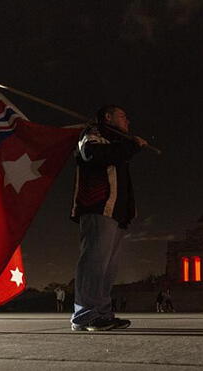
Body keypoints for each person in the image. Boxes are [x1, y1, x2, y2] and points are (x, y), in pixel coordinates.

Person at [69, 105, 148, 331]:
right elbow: (94, 155)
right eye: (123, 116)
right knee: (94, 261)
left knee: (107, 266)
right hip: (98, 206)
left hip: (116, 212)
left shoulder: (115, 141)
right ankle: (84, 314)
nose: (128, 121)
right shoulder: (92, 135)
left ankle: (101, 312)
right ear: (108, 117)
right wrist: (131, 145)